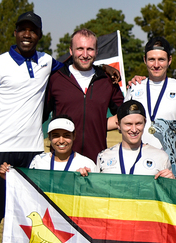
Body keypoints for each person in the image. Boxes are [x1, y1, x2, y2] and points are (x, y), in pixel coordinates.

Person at [0, 12, 63, 243]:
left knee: (32, 218)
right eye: (22, 30)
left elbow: (77, 64)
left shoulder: (46, 62)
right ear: (15, 33)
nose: (27, 35)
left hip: (32, 152)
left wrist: (108, 70)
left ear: (39, 35)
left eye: (33, 31)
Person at [123, 37, 176, 177]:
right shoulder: (135, 87)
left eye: (161, 59)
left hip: (169, 172)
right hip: (137, 171)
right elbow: (121, 122)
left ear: (169, 60)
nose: (156, 64)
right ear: (145, 60)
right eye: (152, 59)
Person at [45, 28, 124, 161]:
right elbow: (40, 115)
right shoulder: (55, 78)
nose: (85, 54)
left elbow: (124, 114)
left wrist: (98, 124)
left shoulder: (108, 79)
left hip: (96, 160)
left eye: (90, 49)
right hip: (61, 161)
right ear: (71, 50)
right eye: (80, 49)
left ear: (97, 51)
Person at [0, 115, 97, 178]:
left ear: (74, 136)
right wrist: (9, 177)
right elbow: (28, 189)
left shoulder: (86, 164)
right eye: (56, 136)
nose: (61, 141)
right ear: (49, 137)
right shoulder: (39, 161)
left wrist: (86, 180)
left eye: (66, 135)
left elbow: (95, 194)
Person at [97, 100, 173, 178]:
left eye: (138, 123)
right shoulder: (104, 156)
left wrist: (171, 183)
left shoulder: (160, 156)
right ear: (118, 125)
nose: (134, 129)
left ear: (145, 123)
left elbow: (167, 189)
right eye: (128, 124)